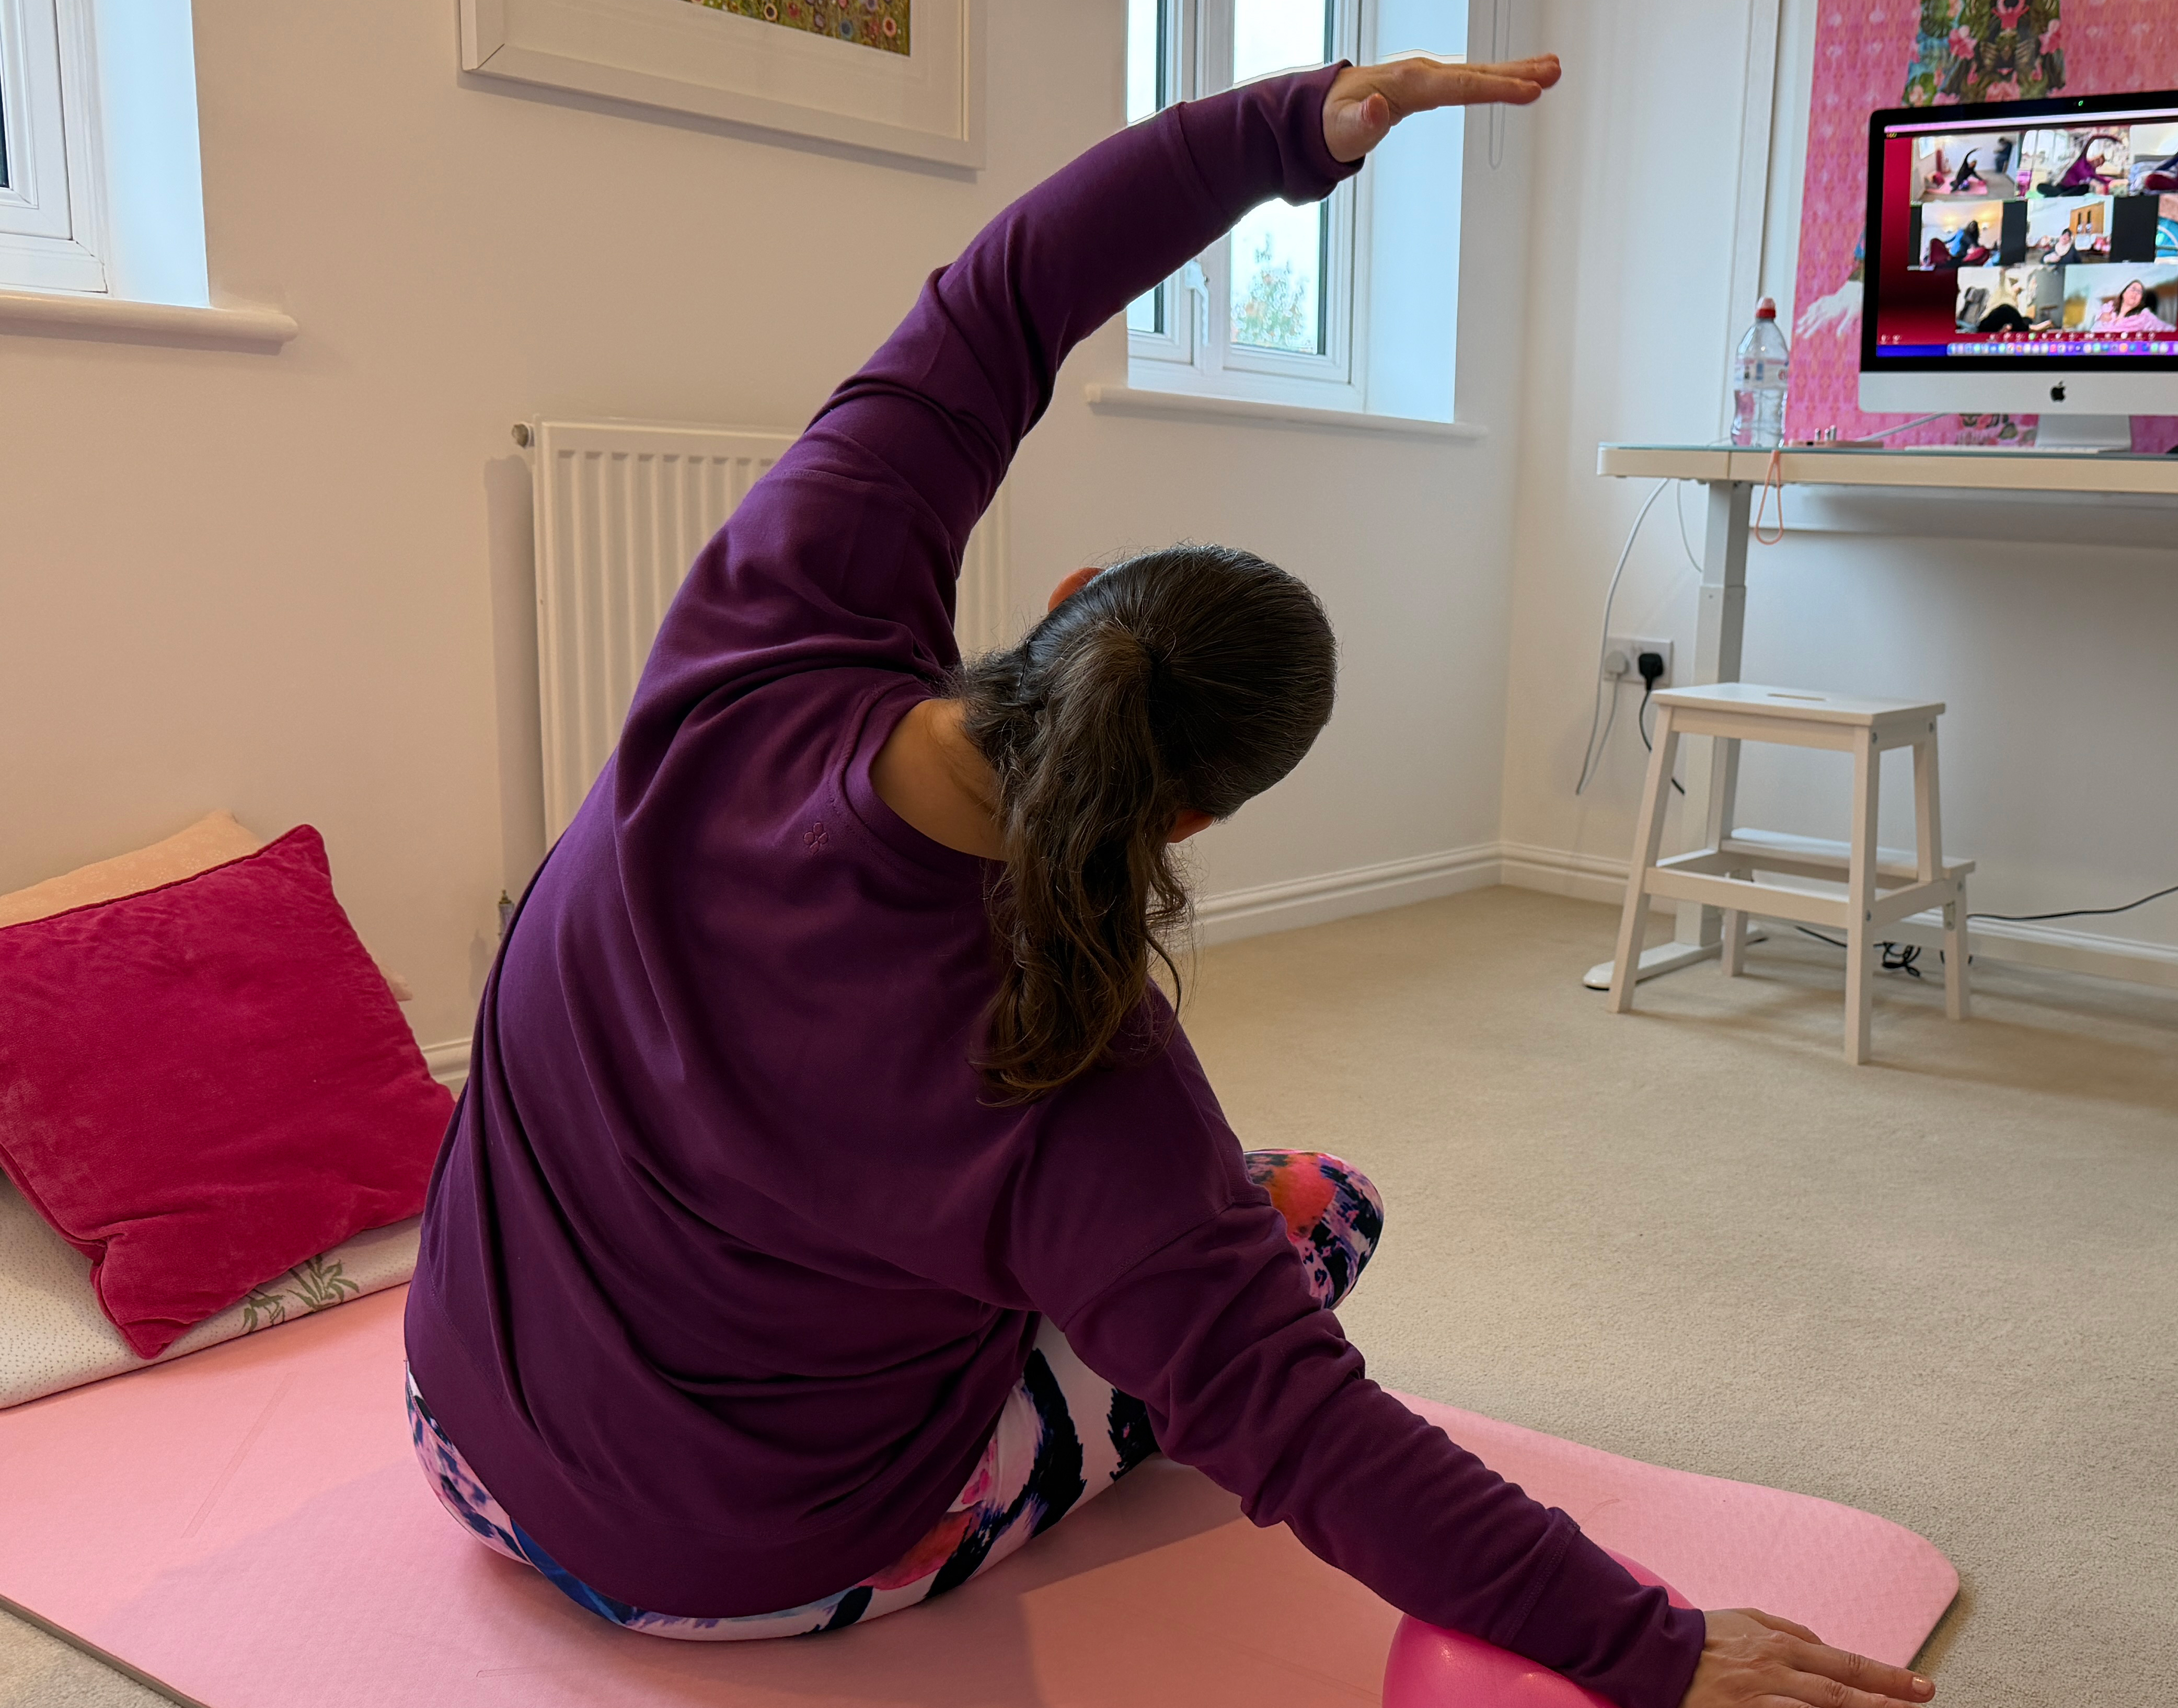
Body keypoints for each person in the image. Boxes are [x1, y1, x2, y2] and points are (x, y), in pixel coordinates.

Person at [399, 52, 1934, 1708]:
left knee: (1150, 1243)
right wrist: (1647, 1644)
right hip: (730, 1577)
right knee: (1311, 1216)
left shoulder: (765, 635)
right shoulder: (1079, 1075)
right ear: (1190, 823)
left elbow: (1001, 302)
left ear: (1061, 603)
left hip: (453, 1424)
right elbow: (1297, 1421)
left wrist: (1295, 123)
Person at [2088, 275, 2174, 333]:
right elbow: (2093, 326)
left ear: (2141, 300)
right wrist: (2100, 318)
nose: (2135, 293)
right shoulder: (2108, 307)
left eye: (2139, 292)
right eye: (2133, 289)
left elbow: (2169, 329)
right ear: (2123, 293)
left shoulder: (2145, 316)